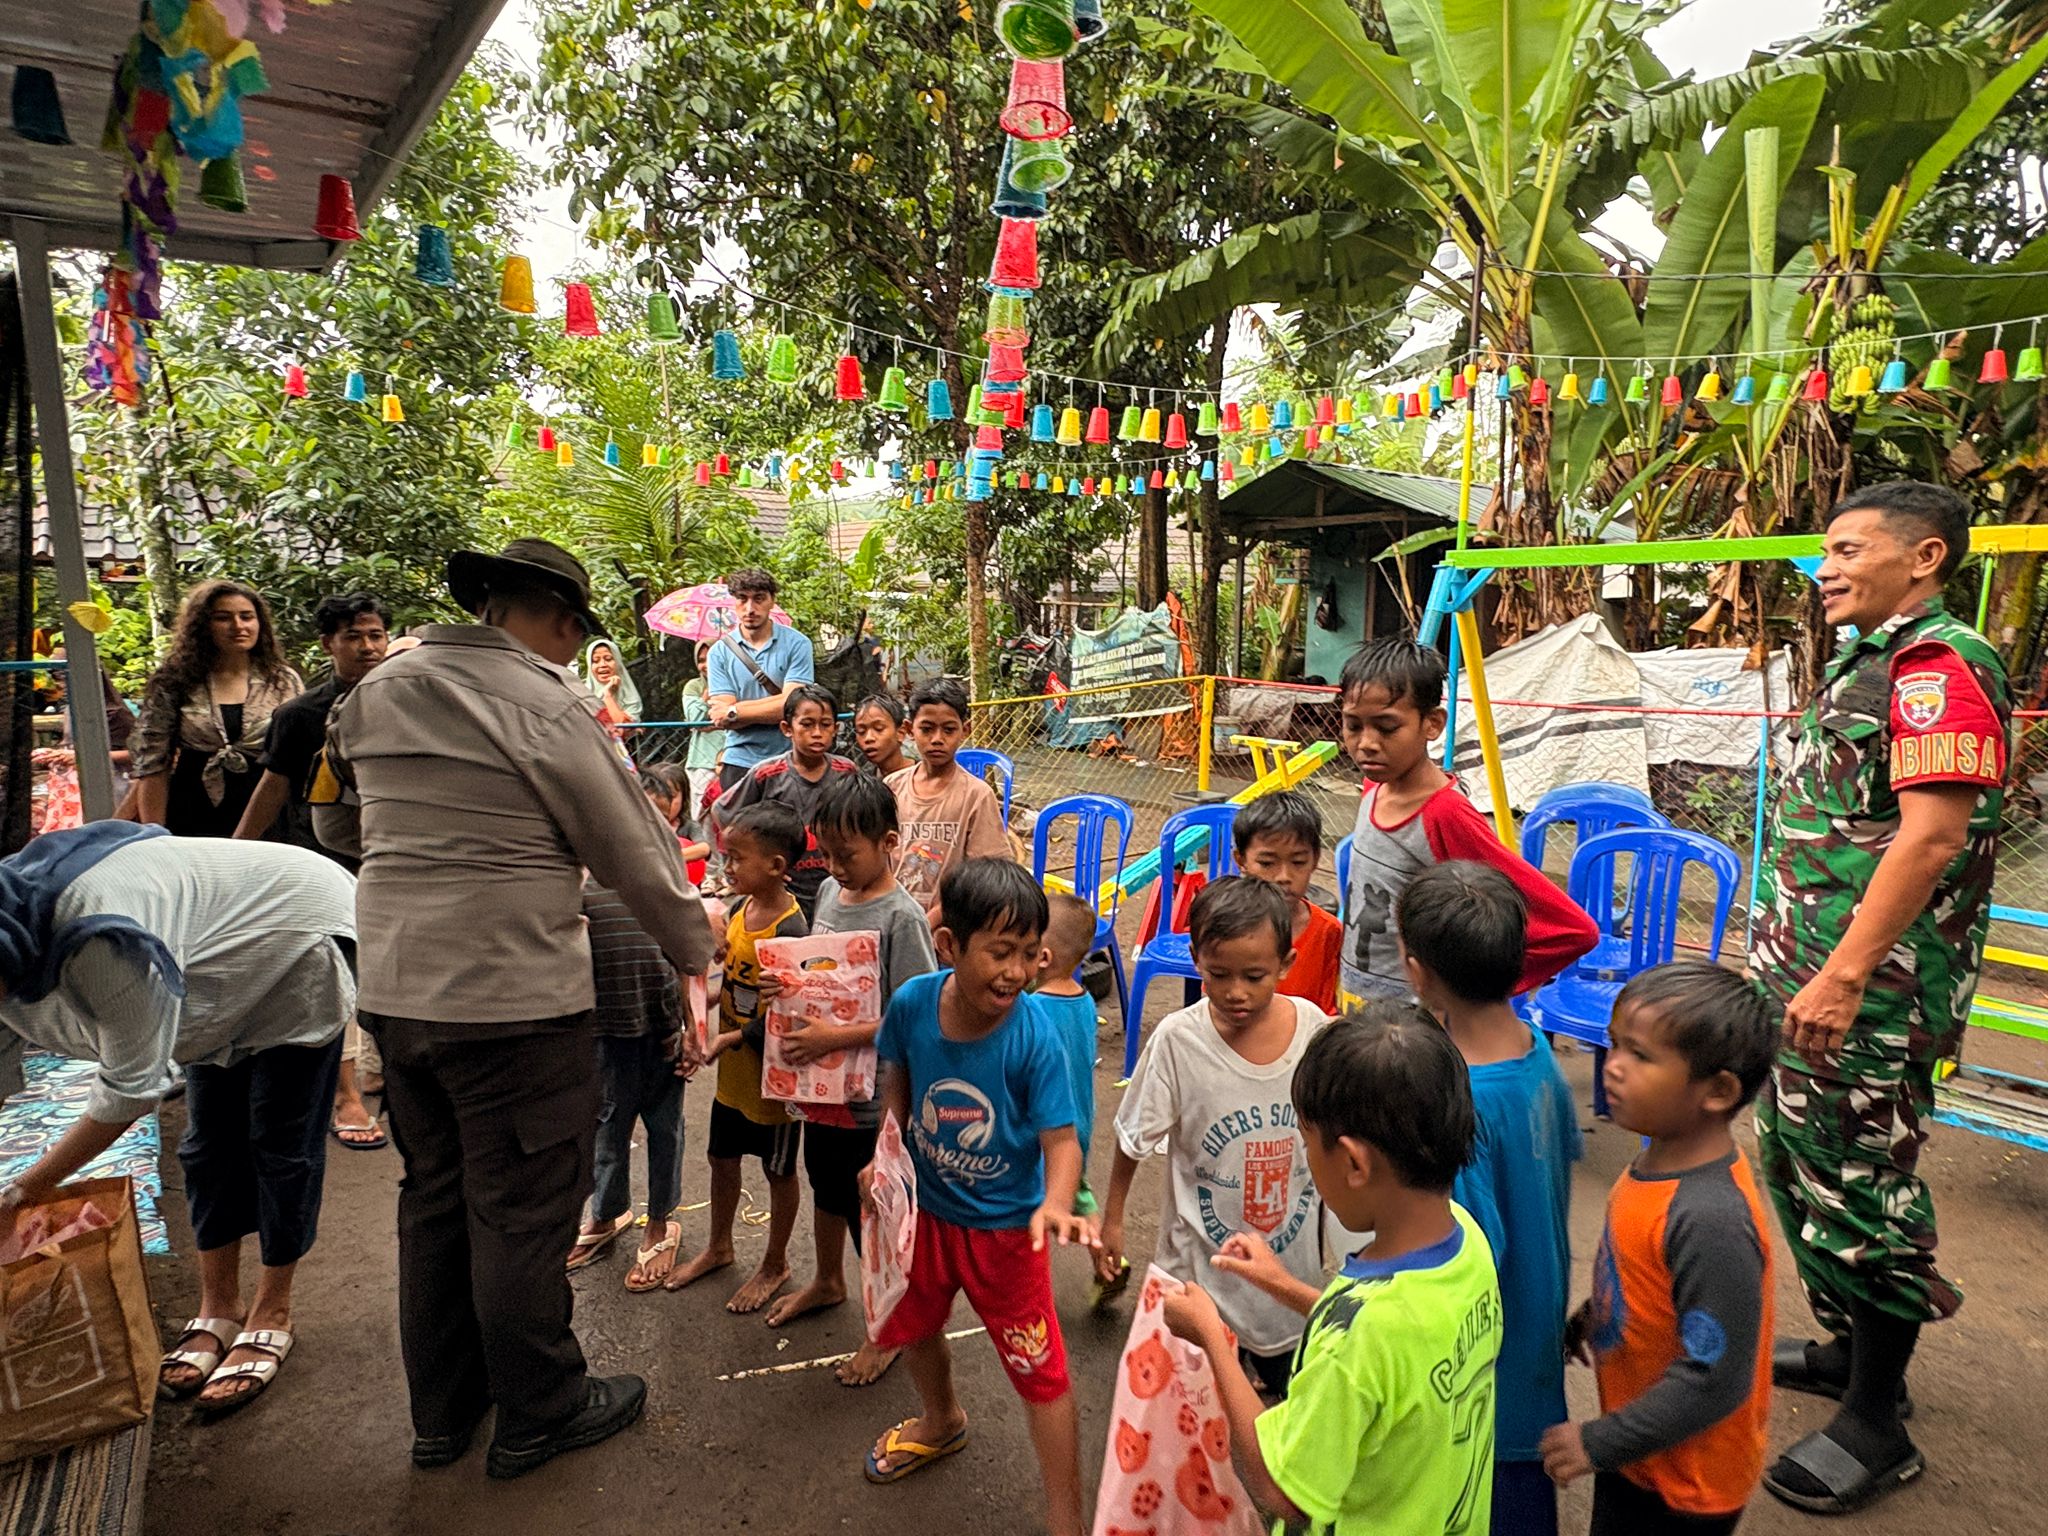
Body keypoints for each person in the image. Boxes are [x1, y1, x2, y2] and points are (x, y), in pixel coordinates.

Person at [320, 537, 714, 1480]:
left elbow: (333, 820)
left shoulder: (371, 693)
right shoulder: (548, 705)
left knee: (437, 1199)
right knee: (522, 1209)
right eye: (574, 628)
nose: (575, 647)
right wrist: (701, 955)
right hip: (514, 1003)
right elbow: (639, 855)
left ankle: (443, 1415)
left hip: (399, 997)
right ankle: (540, 1411)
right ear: (552, 616)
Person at [1749, 482, 2008, 1515]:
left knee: (1860, 1187)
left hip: (1868, 995)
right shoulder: (1870, 662)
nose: (1827, 567)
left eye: (1848, 549)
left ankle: (1874, 1420)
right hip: (1807, 979)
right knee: (1798, 1164)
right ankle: (1851, 1351)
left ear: (1925, 556)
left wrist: (1844, 972)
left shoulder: (1935, 668)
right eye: (1825, 551)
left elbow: (1932, 835)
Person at [0, 824, 356, 1415]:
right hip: (210, 960)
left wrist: (25, 1188)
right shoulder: (18, 926)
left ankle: (273, 1309)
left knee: (280, 1141)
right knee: (208, 1147)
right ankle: (219, 1307)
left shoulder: (103, 944)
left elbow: (129, 1090)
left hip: (294, 936)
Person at [1160, 1003, 1501, 1534]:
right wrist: (1284, 1285)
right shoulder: (1467, 1242)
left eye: (1306, 1143)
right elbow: (1396, 1350)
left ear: (1354, 1163)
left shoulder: (1357, 1339)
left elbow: (1281, 1489)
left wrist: (1211, 1335)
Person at [859, 859, 1094, 1536]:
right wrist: (888, 1154)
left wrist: (1054, 1204)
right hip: (924, 1219)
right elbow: (897, 1076)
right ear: (950, 946)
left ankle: (1065, 1516)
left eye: (1029, 954)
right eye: (1000, 952)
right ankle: (942, 1420)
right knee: (915, 1327)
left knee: (1041, 1374)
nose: (1016, 972)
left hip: (1007, 1237)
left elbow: (1062, 1141)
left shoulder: (1034, 1037)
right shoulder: (911, 1005)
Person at [1540, 962, 1777, 1536]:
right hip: (1642, 1450)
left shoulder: (1708, 1219)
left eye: (1640, 1056)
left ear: (1718, 1091)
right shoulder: (1658, 1160)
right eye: (1615, 1045)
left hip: (1687, 1485)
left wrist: (1596, 1442)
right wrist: (1593, 1319)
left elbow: (1717, 1378)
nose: (1612, 1067)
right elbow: (1643, 1277)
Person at [1399, 861, 1578, 1536]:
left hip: (1480, 1389)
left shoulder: (1460, 1104)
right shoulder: (1539, 1060)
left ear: (1419, 972)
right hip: (1535, 1356)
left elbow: (1464, 1260)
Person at [1099, 877, 1329, 1398]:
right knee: (1191, 1413)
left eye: (1255, 975)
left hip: (1287, 1276)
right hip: (1197, 1273)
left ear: (1287, 965)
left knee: (1288, 1403)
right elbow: (1133, 1137)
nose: (1236, 992)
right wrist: (1112, 1220)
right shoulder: (1179, 1041)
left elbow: (1343, 1133)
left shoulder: (1314, 1031)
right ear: (1195, 961)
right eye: (1218, 974)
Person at [760, 772, 937, 1386]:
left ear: (889, 841)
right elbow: (824, 978)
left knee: (874, 1211)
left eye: (847, 854)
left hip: (876, 1098)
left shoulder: (903, 916)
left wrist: (836, 1038)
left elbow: (916, 1017)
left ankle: (885, 1328)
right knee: (827, 1186)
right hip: (823, 1090)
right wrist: (784, 985)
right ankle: (829, 1281)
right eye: (826, 854)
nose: (834, 867)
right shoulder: (832, 898)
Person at [1334, 636, 1596, 1007]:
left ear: (1432, 723)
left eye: (1387, 727)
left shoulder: (1444, 815)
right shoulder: (1373, 789)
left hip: (1417, 1024)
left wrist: (1473, 991)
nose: (1366, 743)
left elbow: (1572, 930)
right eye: (1353, 725)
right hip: (1357, 998)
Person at [232, 592, 391, 1151]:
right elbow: (272, 787)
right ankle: (345, 1094)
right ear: (328, 645)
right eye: (354, 636)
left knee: (387, 964)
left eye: (375, 634)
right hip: (320, 863)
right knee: (334, 972)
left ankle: (378, 1070)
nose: (368, 646)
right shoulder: (300, 716)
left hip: (395, 862)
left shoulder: (408, 702)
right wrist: (237, 857)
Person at [665, 801, 809, 1312]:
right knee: (721, 1157)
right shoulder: (741, 911)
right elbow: (728, 984)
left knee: (778, 1171)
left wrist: (725, 1040)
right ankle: (720, 1246)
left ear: (775, 865)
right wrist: (696, 1011)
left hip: (775, 1079)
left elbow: (791, 1012)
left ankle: (776, 1263)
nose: (728, 868)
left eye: (737, 858)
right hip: (734, 1076)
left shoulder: (793, 930)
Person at [571, 876, 687, 1292]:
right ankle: (607, 1212)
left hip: (663, 1034)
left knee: (665, 1129)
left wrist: (688, 1029)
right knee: (608, 1128)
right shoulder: (578, 889)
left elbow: (688, 960)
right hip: (605, 1037)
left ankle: (660, 1221)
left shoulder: (661, 885)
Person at [131, 579, 302, 837]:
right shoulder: (175, 681)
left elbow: (298, 754)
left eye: (247, 617)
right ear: (203, 625)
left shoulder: (282, 681)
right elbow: (152, 764)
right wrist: (156, 836)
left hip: (268, 810)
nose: (238, 626)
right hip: (193, 809)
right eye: (223, 618)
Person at [711, 683, 858, 921]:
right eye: (807, 724)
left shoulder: (847, 771)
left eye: (825, 724)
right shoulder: (767, 773)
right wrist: (752, 861)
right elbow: (723, 811)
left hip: (833, 881)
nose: (817, 732)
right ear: (787, 728)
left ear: (835, 728)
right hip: (784, 885)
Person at [886, 678, 1010, 922]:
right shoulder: (891, 787)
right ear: (910, 730)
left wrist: (933, 919)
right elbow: (877, 859)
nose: (937, 739)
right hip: (893, 914)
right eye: (927, 729)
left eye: (949, 729)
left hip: (950, 921)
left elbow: (985, 874)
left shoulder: (976, 795)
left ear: (966, 730)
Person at [706, 568, 815, 792]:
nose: (750, 608)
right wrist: (776, 707)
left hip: (790, 758)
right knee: (739, 827)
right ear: (733, 602)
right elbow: (722, 717)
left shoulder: (797, 643)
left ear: (772, 601)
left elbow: (794, 706)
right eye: (742, 599)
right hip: (738, 760)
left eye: (758, 599)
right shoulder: (718, 652)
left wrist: (735, 711)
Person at [1234, 789, 1342, 1015]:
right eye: (1267, 863)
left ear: (1315, 861)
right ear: (1241, 860)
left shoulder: (1328, 932)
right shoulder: (1227, 925)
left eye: (1298, 862)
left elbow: (1327, 1014)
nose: (1284, 876)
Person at [1033, 894, 1101, 1216]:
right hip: (1082, 1122)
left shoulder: (1033, 1009)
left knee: (1043, 1201)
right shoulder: (1086, 1002)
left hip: (1048, 1129)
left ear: (1042, 957)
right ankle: (1107, 1256)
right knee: (1079, 1189)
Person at [681, 640, 726, 813]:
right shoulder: (694, 686)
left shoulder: (737, 682)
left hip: (734, 756)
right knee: (701, 813)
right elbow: (695, 720)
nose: (706, 665)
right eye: (701, 660)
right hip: (703, 759)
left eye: (711, 658)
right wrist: (706, 697)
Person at [581, 638, 642, 729]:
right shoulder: (581, 695)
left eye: (608, 659)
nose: (602, 664)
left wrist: (607, 696)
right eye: (596, 661)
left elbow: (623, 727)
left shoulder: (630, 696)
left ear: (618, 663)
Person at [853, 692, 912, 775]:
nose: (869, 738)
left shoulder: (925, 776)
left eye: (878, 728)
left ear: (900, 732)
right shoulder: (863, 782)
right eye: (861, 731)